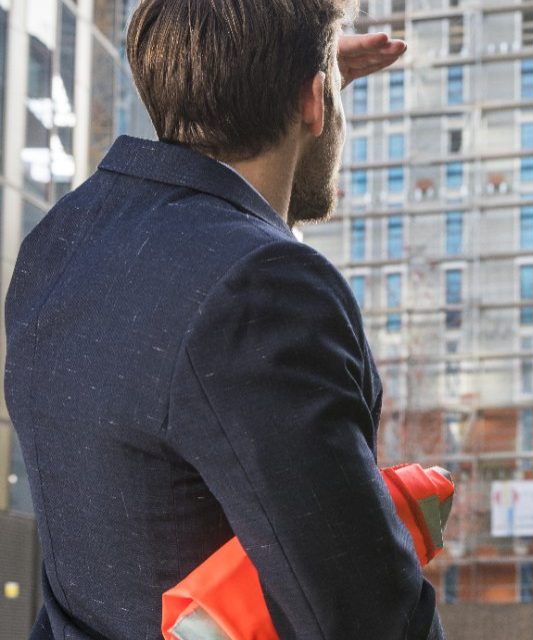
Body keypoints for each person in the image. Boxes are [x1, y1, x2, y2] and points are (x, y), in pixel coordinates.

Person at [3, 1, 444, 638]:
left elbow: (205, 280)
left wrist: (297, 86)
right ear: (314, 102)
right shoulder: (262, 293)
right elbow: (368, 617)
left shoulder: (61, 244)